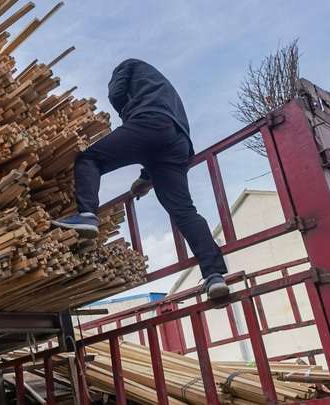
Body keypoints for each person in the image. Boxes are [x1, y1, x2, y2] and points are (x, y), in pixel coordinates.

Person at [51, 58, 229, 298]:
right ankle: (214, 275)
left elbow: (117, 93)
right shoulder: (165, 90)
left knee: (89, 159)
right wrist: (146, 179)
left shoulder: (128, 65)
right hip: (178, 142)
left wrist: (126, 114)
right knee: (184, 211)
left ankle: (87, 215)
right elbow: (154, 148)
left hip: (148, 122)